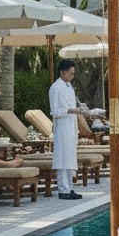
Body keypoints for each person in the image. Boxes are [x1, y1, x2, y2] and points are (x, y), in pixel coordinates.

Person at [49, 58, 80, 200]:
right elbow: (55, 111)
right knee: (63, 158)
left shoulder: (69, 86)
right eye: (70, 73)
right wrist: (70, 111)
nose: (72, 76)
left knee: (70, 157)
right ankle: (63, 189)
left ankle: (69, 187)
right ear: (62, 72)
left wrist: (77, 110)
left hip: (71, 126)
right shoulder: (55, 88)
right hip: (62, 126)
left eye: (73, 74)